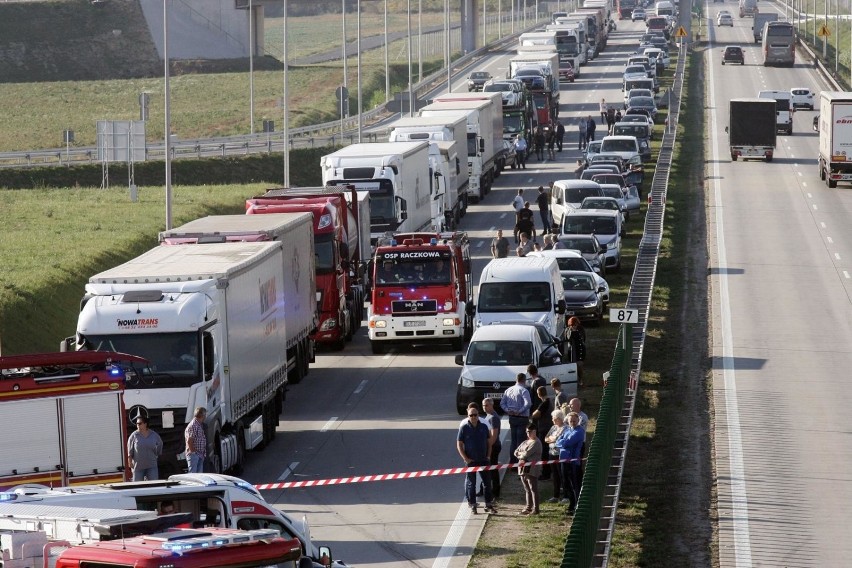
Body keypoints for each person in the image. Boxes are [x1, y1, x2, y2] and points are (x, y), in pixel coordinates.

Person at [456, 405, 495, 514]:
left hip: (483, 460)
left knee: (487, 483)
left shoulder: (483, 427)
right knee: (471, 484)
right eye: (471, 415)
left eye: (475, 415)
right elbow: (459, 444)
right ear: (468, 416)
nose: (473, 417)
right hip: (471, 461)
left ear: (478, 415)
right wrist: (466, 458)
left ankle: (488, 504)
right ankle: (473, 504)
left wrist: (488, 456)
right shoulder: (464, 428)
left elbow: (489, 443)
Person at [556, 411, 585, 514]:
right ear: (567, 421)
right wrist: (562, 442)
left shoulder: (579, 431)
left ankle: (577, 505)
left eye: (574, 421)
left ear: (578, 421)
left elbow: (566, 442)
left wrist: (562, 442)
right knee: (566, 483)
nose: (572, 422)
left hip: (573, 461)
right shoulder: (567, 430)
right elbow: (558, 441)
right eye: (570, 421)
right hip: (564, 459)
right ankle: (572, 504)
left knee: (575, 484)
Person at [502, 372, 532, 464]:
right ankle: (520, 462)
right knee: (521, 441)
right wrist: (520, 410)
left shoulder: (508, 390)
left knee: (513, 440)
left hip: (512, 418)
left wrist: (508, 410)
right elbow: (528, 404)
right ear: (524, 380)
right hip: (522, 418)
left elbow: (502, 403)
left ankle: (512, 462)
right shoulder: (524, 390)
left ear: (516, 379)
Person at [514, 423, 543, 515]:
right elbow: (515, 452)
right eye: (527, 432)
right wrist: (521, 455)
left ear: (535, 432)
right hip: (523, 468)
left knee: (533, 488)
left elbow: (526, 454)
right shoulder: (525, 442)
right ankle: (528, 507)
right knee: (527, 489)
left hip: (532, 469)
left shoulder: (536, 442)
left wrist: (521, 454)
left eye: (530, 432)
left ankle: (536, 509)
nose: (528, 434)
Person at [127, 415, 163, 481]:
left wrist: (157, 453)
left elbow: (160, 444)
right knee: (137, 487)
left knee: (154, 485)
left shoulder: (153, 434)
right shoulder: (134, 435)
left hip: (151, 466)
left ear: (145, 424)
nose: (138, 425)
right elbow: (129, 450)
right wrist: (130, 461)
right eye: (137, 423)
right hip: (138, 467)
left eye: (140, 423)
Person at [543, 409, 567, 503]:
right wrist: (552, 439)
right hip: (551, 453)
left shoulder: (565, 428)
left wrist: (553, 439)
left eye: (554, 418)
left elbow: (558, 439)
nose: (552, 420)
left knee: (562, 475)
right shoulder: (553, 427)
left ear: (559, 419)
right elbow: (546, 438)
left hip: (559, 454)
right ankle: (555, 495)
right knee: (555, 475)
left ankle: (566, 495)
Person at [481, 397, 502, 499]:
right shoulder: (488, 416)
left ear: (491, 405)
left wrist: (488, 449)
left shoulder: (493, 417)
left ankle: (496, 491)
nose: (484, 407)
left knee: (493, 469)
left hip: (493, 447)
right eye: (483, 405)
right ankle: (483, 489)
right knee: (487, 468)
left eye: (486, 405)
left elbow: (494, 435)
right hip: (490, 446)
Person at [531, 385, 553, 481]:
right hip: (548, 428)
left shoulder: (544, 403)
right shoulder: (549, 401)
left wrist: (533, 413)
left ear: (538, 394)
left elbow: (535, 415)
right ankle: (548, 471)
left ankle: (546, 473)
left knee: (544, 452)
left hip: (544, 429)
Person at [185, 406, 207, 473]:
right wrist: (193, 453)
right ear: (202, 415)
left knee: (199, 476)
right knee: (193, 475)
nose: (205, 416)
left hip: (199, 454)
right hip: (194, 454)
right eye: (205, 414)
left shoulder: (198, 424)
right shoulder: (193, 425)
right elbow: (189, 440)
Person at [568, 317, 587, 387]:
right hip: (573, 350)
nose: (575, 326)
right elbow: (568, 338)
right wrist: (572, 331)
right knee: (573, 365)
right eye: (573, 325)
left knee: (580, 365)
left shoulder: (580, 329)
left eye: (576, 324)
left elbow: (583, 338)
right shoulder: (568, 330)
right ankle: (574, 380)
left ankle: (580, 379)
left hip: (580, 350)